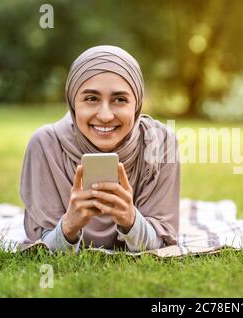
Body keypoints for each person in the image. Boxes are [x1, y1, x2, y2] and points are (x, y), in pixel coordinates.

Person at [19, 45, 180, 253]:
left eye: (120, 100)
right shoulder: (45, 145)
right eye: (91, 99)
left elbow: (163, 244)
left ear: (137, 104)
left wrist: (130, 219)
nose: (105, 115)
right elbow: (42, 248)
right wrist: (69, 225)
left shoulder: (161, 143)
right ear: (73, 103)